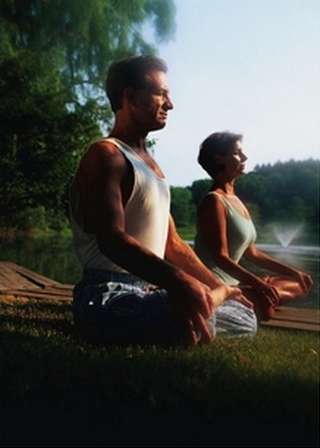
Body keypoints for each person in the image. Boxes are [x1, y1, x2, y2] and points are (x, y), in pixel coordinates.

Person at [70, 56, 257, 347]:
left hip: (151, 289)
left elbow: (173, 245)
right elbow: (111, 239)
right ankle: (190, 313)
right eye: (161, 94)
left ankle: (203, 305)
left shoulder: (152, 167)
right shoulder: (106, 155)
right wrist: (180, 283)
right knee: (183, 316)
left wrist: (216, 285)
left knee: (245, 317)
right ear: (130, 97)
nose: (170, 104)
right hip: (107, 294)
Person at [194, 131, 313, 320]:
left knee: (300, 283)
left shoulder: (236, 200)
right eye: (237, 153)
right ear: (219, 158)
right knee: (265, 302)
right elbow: (220, 257)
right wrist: (258, 284)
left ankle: (263, 295)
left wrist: (294, 272)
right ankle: (256, 298)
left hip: (238, 284)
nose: (244, 157)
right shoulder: (213, 201)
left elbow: (253, 253)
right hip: (217, 286)